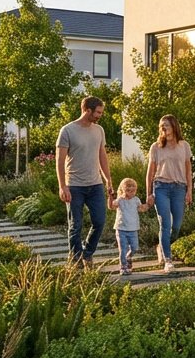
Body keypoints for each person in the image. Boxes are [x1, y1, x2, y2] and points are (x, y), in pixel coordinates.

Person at [56, 96, 113, 267]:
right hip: (74, 185)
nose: (100, 115)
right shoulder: (67, 131)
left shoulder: (99, 130)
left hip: (95, 184)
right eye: (98, 112)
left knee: (100, 221)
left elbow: (102, 156)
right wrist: (62, 186)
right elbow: (59, 160)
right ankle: (76, 259)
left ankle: (87, 254)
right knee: (76, 225)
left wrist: (108, 180)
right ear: (87, 110)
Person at [145, 114, 192, 273]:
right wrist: (149, 193)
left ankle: (161, 246)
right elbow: (150, 172)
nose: (163, 128)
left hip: (179, 188)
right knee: (165, 224)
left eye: (166, 125)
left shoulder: (184, 145)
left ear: (174, 127)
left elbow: (188, 170)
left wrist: (189, 191)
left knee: (176, 226)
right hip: (161, 187)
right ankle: (168, 260)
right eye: (161, 125)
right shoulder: (156, 147)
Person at [108, 178, 149, 276]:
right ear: (123, 189)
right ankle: (123, 267)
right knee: (123, 249)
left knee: (135, 247)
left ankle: (128, 257)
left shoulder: (136, 200)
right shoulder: (120, 200)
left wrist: (149, 203)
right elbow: (111, 207)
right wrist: (110, 197)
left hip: (133, 229)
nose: (131, 192)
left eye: (133, 190)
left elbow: (142, 208)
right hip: (121, 228)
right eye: (128, 190)